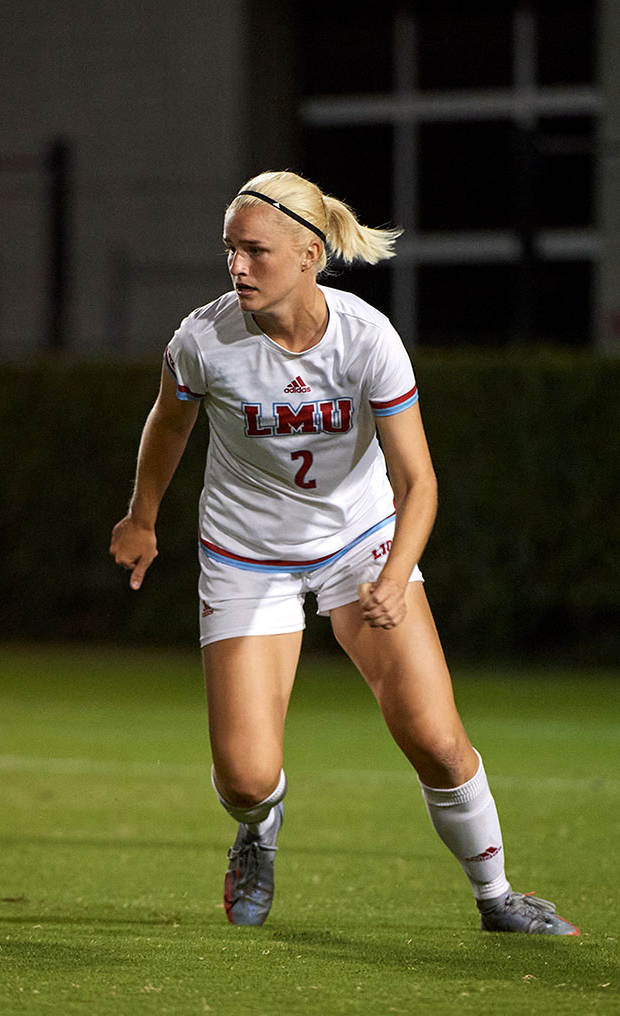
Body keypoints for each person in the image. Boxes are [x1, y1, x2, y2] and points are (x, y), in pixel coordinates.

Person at [110, 170, 577, 935]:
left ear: (309, 254)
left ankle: (498, 898)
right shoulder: (203, 337)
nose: (237, 267)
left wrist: (394, 578)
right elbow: (167, 424)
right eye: (229, 250)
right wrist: (140, 518)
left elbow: (418, 481)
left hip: (360, 545)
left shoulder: (366, 339)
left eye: (256, 251)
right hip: (245, 554)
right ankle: (258, 830)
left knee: (436, 738)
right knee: (246, 776)